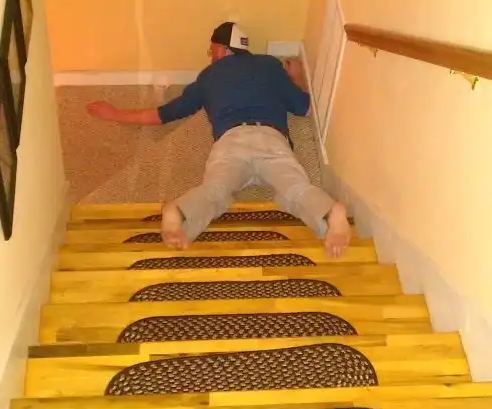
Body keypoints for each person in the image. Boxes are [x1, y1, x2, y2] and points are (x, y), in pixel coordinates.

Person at [87, 22, 351, 257]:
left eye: (211, 49)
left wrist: (115, 114)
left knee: (215, 193)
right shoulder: (270, 65)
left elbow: (165, 114)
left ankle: (179, 212)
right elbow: (305, 108)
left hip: (231, 141)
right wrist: (298, 77)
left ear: (224, 49)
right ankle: (330, 213)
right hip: (271, 140)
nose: (210, 55)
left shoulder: (209, 76)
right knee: (296, 189)